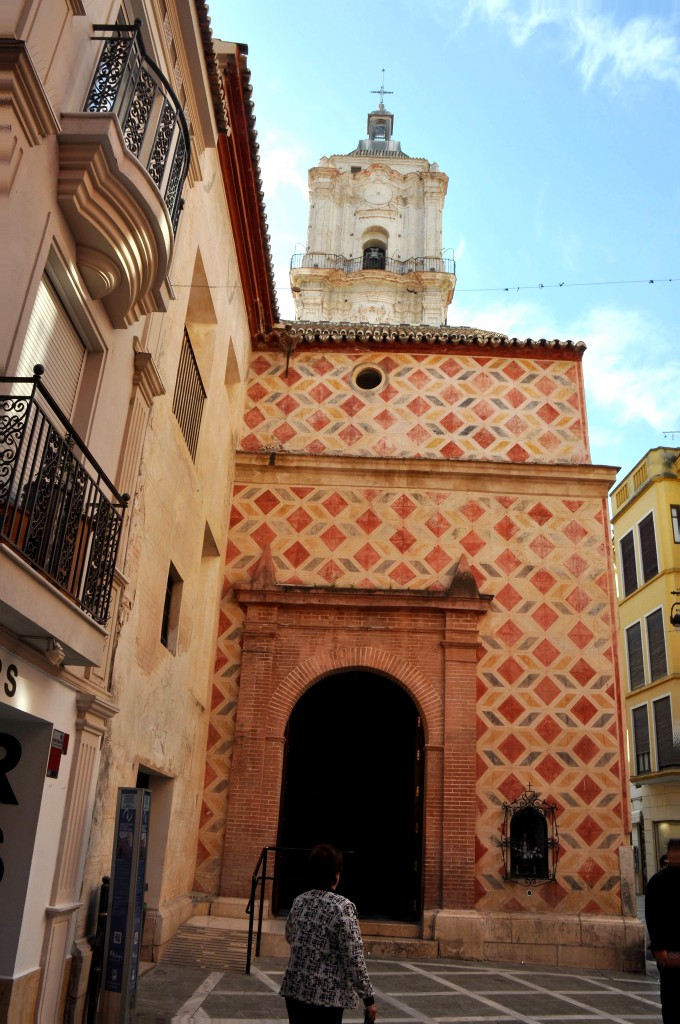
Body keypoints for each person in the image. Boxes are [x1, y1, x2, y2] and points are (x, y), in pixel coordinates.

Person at [280, 844, 378, 1023]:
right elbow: (353, 957)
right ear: (336, 873)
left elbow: (290, 936)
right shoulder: (342, 907)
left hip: (295, 989)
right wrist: (369, 1000)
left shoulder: (299, 901)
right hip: (327, 996)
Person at [645, 838, 680, 1023]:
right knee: (672, 993)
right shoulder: (659, 882)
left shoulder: (658, 881)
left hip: (669, 950)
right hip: (671, 953)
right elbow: (653, 916)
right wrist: (659, 948)